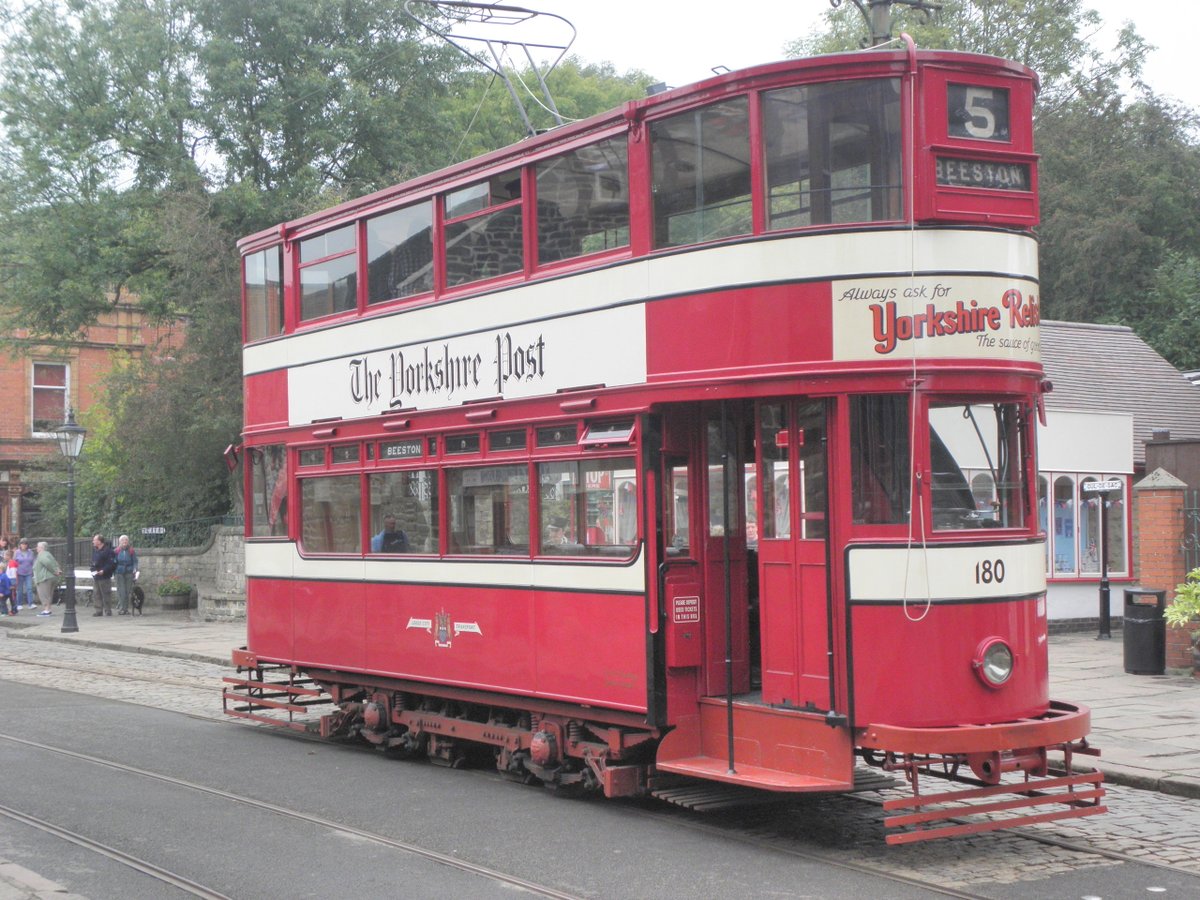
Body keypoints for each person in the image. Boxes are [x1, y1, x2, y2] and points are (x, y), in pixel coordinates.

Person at [90, 534, 117, 616]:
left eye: (94, 540)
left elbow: (111, 563)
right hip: (96, 576)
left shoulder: (108, 551)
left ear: (99, 541)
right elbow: (92, 562)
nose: (93, 542)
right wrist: (92, 570)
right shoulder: (95, 550)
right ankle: (98, 610)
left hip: (104, 576)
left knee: (106, 593)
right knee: (96, 593)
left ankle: (108, 610)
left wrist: (104, 570)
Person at [33, 541, 62, 616]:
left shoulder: (42, 554)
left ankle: (46, 610)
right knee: (49, 595)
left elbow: (47, 562)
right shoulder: (49, 554)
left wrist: (54, 571)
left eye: (38, 547)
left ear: (41, 548)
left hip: (44, 578)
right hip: (51, 577)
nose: (36, 548)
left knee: (44, 594)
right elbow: (56, 563)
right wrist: (57, 570)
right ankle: (48, 610)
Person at [114, 534, 140, 615]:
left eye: (126, 540)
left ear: (128, 542)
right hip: (119, 572)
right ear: (120, 542)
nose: (124, 542)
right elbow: (114, 561)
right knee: (121, 591)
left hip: (129, 572)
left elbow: (135, 561)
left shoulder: (131, 551)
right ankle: (123, 609)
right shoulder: (116, 551)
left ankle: (125, 609)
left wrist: (135, 569)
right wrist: (114, 569)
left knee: (127, 591)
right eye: (122, 540)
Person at [14, 538, 35, 611]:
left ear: (27, 545)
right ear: (20, 545)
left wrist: (33, 571)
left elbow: (33, 562)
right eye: (22, 544)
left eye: (25, 544)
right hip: (19, 573)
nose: (24, 545)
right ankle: (19, 604)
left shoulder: (31, 552)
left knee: (29, 588)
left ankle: (31, 604)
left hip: (28, 573)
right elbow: (14, 562)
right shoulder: (17, 552)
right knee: (19, 589)